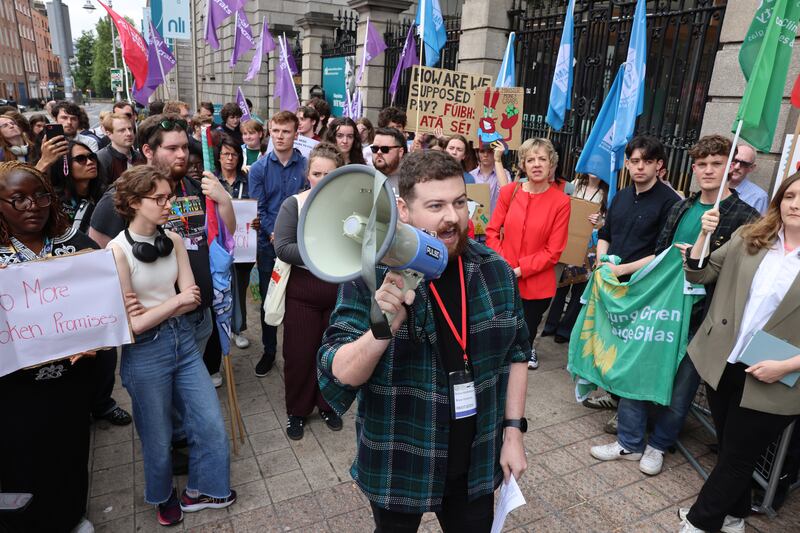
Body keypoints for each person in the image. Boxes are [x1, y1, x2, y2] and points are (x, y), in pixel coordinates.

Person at [318, 150, 530, 531]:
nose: (452, 217)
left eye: (460, 202)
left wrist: (513, 430)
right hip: (401, 458)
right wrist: (384, 325)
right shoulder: (369, 274)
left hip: (476, 459)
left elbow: (517, 351)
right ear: (403, 209)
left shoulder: (495, 270)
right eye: (436, 205)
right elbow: (341, 373)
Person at [590, 135, 760, 477]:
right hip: (660, 307)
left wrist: (703, 257)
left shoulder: (746, 216)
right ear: (694, 169)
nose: (709, 170)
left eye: (717, 164)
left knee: (682, 386)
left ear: (730, 168)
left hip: (702, 316)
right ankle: (629, 440)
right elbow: (659, 253)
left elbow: (744, 273)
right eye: (703, 164)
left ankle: (659, 445)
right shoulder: (682, 207)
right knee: (637, 368)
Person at [108, 166, 235, 526]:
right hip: (145, 353)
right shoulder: (117, 252)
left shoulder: (174, 239)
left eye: (171, 197)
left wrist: (162, 308)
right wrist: (173, 303)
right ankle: (162, 496)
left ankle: (203, 488)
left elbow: (193, 297)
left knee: (209, 420)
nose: (169, 205)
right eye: (159, 199)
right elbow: (132, 326)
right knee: (158, 435)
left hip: (184, 341)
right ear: (134, 203)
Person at [678, 172, 800, 533]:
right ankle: (735, 515)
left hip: (777, 371)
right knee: (732, 448)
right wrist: (703, 234)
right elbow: (698, 275)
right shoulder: (750, 237)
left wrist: (787, 366)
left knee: (736, 457)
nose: (797, 204)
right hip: (725, 361)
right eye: (791, 195)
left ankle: (700, 523)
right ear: (780, 200)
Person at [0, 161, 98, 533]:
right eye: (18, 199)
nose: (32, 206)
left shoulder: (77, 245)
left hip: (70, 381)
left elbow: (102, 310)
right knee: (21, 458)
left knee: (70, 451)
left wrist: (96, 341)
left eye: (40, 195)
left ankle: (72, 516)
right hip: (14, 391)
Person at [591, 135, 680, 428]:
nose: (640, 167)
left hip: (643, 288)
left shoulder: (670, 203)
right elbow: (606, 234)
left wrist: (624, 269)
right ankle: (614, 396)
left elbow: (662, 253)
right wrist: (602, 260)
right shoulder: (621, 196)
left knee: (632, 349)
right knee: (612, 339)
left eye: (647, 161)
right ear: (627, 164)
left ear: (659, 165)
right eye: (635, 161)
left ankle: (626, 412)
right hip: (612, 284)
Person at [273, 143, 344, 439]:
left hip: (339, 291)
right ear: (308, 175)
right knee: (300, 354)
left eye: (330, 173)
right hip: (303, 290)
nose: (323, 179)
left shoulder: (349, 204)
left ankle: (327, 403)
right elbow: (283, 247)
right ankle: (297, 411)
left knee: (334, 354)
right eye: (317, 173)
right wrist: (324, 251)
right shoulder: (295, 204)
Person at [486, 138, 571, 370]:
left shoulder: (561, 201)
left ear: (551, 163)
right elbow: (492, 231)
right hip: (504, 279)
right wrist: (505, 265)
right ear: (522, 164)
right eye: (530, 159)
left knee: (524, 339)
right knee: (499, 336)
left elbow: (553, 251)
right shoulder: (509, 192)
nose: (536, 164)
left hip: (536, 286)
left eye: (542, 159)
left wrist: (520, 270)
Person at [248, 111, 307, 377]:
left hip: (299, 245)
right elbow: (258, 208)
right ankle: (269, 350)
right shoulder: (259, 168)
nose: (280, 136)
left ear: (296, 134)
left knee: (297, 299)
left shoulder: (305, 166)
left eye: (286, 131)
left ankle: (296, 352)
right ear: (269, 133)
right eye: (276, 131)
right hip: (268, 246)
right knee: (268, 299)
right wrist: (274, 234)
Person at [542, 173, 608, 343]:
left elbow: (609, 224)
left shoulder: (608, 193)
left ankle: (565, 329)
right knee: (559, 286)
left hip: (591, 247)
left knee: (579, 289)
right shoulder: (575, 184)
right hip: (569, 240)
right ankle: (550, 323)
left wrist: (600, 221)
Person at [215, 135, 254, 353]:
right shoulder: (212, 180)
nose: (229, 158)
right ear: (218, 158)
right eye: (225, 154)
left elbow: (255, 207)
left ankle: (238, 329)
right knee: (221, 287)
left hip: (244, 246)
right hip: (220, 245)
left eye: (233, 154)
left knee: (240, 287)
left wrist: (255, 219)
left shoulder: (247, 180)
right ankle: (222, 328)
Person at [96, 112, 145, 185]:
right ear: (109, 134)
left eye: (130, 129)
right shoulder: (102, 159)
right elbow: (100, 193)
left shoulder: (140, 157)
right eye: (122, 130)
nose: (129, 133)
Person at [728, 143, 768, 215]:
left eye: (744, 163)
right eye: (734, 160)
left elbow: (756, 225)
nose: (737, 167)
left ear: (751, 168)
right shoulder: (714, 185)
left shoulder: (759, 197)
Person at [470, 144, 512, 212]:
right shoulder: (471, 175)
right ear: (477, 153)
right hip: (475, 220)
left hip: (496, 220)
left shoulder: (504, 173)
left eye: (490, 151)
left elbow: (506, 193)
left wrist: (498, 159)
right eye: (482, 151)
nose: (485, 155)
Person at [370, 126, 407, 191]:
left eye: (385, 149)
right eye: (375, 149)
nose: (379, 152)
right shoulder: (366, 177)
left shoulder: (412, 181)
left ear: (400, 152)